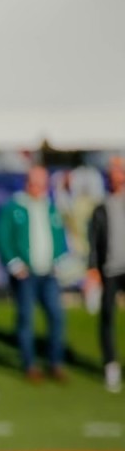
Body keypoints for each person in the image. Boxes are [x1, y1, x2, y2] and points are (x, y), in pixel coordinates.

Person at [0, 165, 69, 382]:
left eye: (41, 184)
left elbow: (60, 237)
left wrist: (59, 259)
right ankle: (30, 364)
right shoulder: (15, 207)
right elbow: (1, 237)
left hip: (49, 273)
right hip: (26, 275)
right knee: (26, 318)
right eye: (33, 183)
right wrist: (15, 264)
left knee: (56, 316)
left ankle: (56, 362)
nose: (37, 189)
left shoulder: (50, 207)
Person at [88, 161, 125, 393]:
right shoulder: (101, 207)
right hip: (110, 269)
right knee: (107, 317)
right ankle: (110, 364)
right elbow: (94, 241)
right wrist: (93, 268)